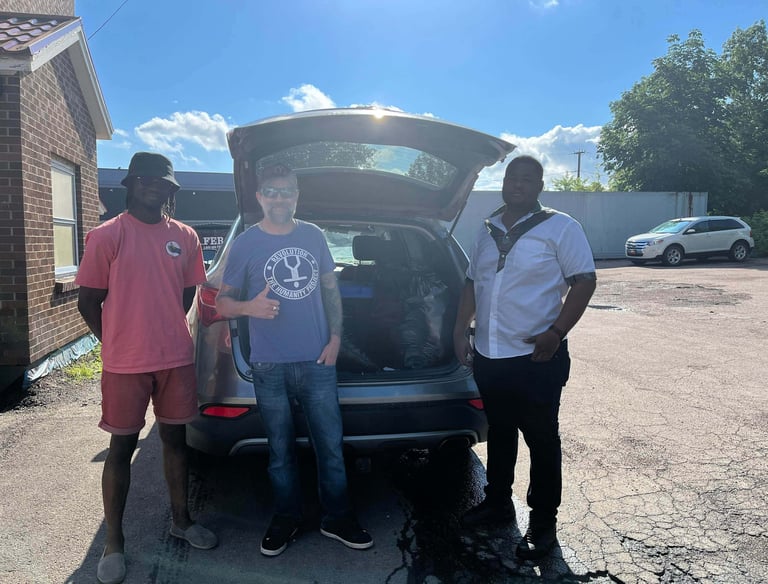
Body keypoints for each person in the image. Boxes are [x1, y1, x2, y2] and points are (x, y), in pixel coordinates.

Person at [215, 163, 373, 556]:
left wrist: (336, 338)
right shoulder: (246, 243)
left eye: (286, 191)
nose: (279, 198)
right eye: (271, 191)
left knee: (330, 446)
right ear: (259, 196)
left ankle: (337, 517)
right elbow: (221, 303)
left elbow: (330, 289)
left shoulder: (313, 235)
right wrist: (249, 307)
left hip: (318, 362)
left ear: (296, 196)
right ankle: (286, 518)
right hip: (268, 366)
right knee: (280, 450)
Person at [76, 152, 217, 584]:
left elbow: (186, 293)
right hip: (126, 364)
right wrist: (118, 340)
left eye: (163, 183)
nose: (155, 187)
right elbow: (88, 301)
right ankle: (114, 542)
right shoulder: (107, 235)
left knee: (176, 442)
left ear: (171, 191)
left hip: (175, 357)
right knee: (121, 448)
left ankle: (181, 520)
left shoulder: (186, 236)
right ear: (131, 184)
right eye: (146, 179)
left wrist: (162, 329)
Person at [453, 155, 596, 561]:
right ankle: (498, 502)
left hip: (537, 356)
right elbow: (472, 282)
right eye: (512, 177)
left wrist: (557, 332)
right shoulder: (486, 230)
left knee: (542, 439)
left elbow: (585, 281)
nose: (517, 184)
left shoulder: (561, 227)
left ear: (539, 185)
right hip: (490, 354)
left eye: (527, 179)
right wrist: (460, 329)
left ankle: (543, 523)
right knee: (500, 432)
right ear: (504, 181)